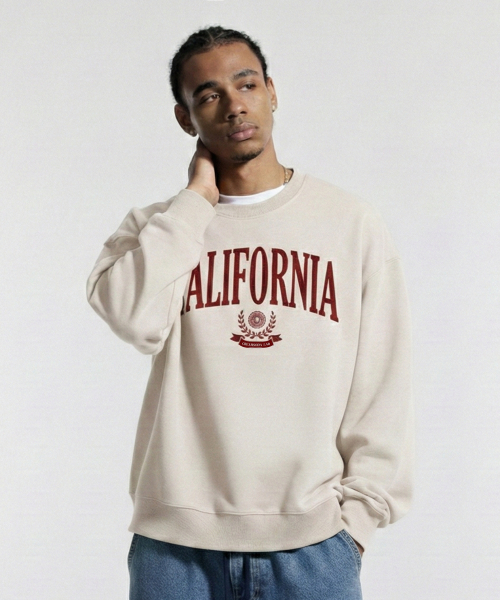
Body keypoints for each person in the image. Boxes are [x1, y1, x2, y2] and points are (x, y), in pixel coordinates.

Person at [86, 25, 414, 600]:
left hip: (314, 548)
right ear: (185, 118)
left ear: (272, 92)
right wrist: (195, 202)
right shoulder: (155, 230)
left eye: (247, 84)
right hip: (175, 550)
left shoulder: (349, 224)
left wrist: (356, 527)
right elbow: (134, 319)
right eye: (209, 94)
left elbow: (382, 382)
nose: (235, 105)